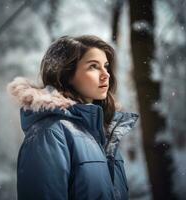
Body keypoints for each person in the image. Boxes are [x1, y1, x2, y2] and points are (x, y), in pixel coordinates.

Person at [7, 35, 139, 200]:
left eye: (106, 66)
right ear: (66, 74)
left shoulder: (103, 134)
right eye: (93, 66)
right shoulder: (50, 134)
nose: (106, 74)